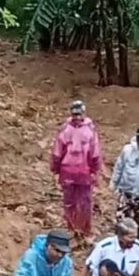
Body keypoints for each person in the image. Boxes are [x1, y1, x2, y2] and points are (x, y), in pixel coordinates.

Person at [50, 100, 102, 238]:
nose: (77, 117)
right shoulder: (88, 131)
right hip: (78, 172)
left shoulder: (67, 130)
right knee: (78, 201)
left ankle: (77, 230)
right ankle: (79, 230)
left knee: (77, 202)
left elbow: (57, 153)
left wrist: (55, 169)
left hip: (74, 172)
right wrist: (95, 171)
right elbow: (95, 154)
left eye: (79, 114)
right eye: (75, 114)